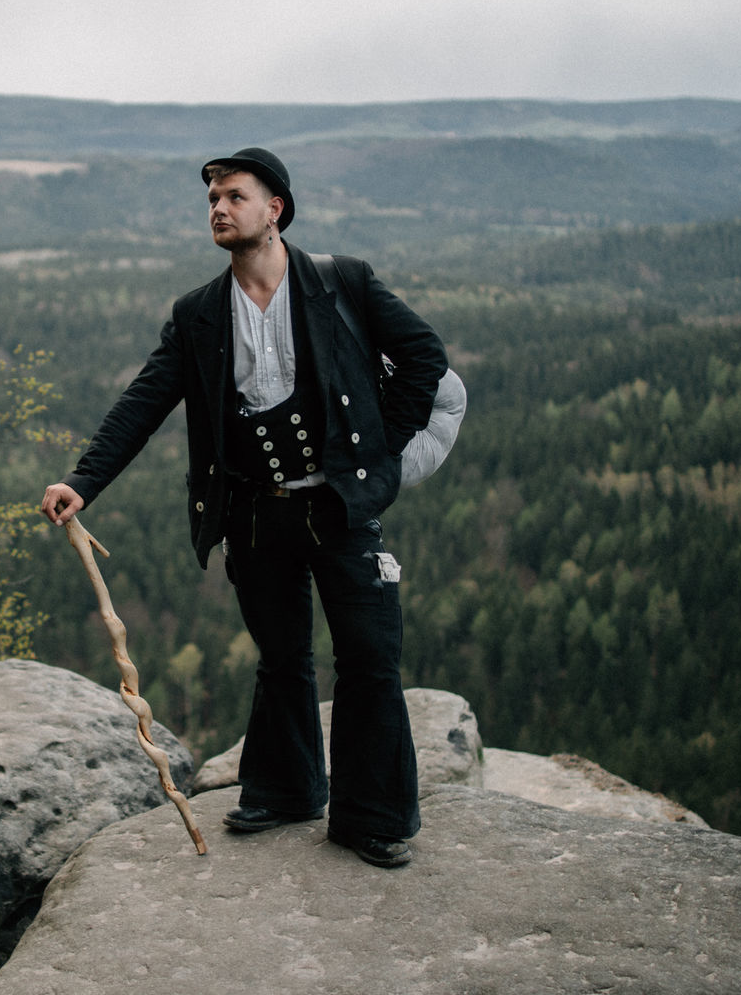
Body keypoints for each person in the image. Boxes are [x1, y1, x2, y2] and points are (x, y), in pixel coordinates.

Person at [41, 147, 448, 868]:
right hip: (255, 517)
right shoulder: (199, 313)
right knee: (283, 658)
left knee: (370, 660)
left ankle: (372, 817)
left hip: (340, 508)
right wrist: (85, 480)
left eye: (233, 197)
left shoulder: (341, 282)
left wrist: (379, 453)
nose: (218, 210)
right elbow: (144, 401)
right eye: (211, 201)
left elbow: (423, 356)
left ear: (275, 210)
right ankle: (288, 791)